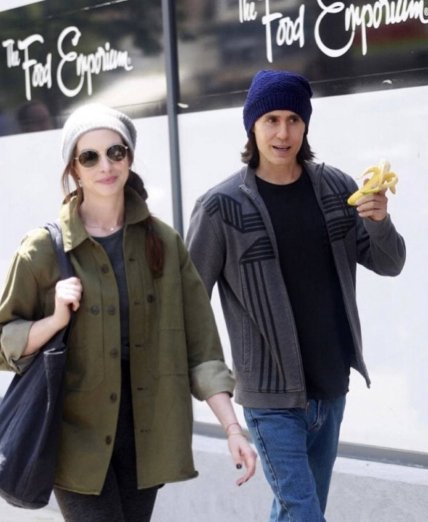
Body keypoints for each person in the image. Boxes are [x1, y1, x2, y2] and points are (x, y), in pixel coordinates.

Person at [0, 103, 256, 522]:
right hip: (74, 440)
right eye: (90, 157)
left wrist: (232, 429)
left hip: (146, 436)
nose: (105, 165)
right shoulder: (43, 250)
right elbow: (3, 340)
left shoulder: (164, 243)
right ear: (74, 169)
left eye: (115, 152)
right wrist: (55, 320)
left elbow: (202, 349)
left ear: (129, 158)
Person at [186, 70, 406, 521]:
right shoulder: (220, 208)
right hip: (270, 398)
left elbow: (390, 262)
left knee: (297, 512)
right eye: (271, 120)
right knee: (304, 515)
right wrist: (215, 393)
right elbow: (187, 304)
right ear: (252, 126)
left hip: (330, 386)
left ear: (305, 125)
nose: (283, 133)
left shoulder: (338, 189)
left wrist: (379, 222)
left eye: (293, 120)